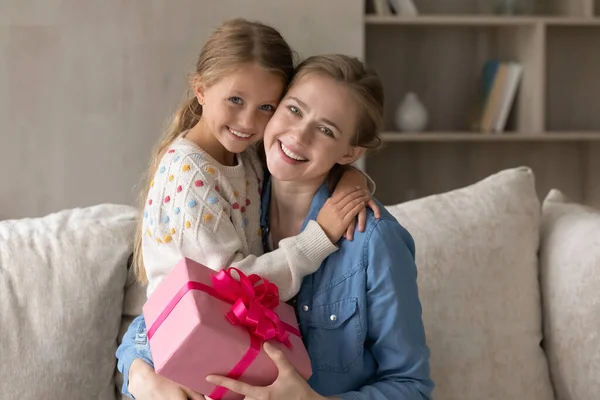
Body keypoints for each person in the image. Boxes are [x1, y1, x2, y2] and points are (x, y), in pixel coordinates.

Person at [121, 53, 434, 400]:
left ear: (348, 153)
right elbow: (170, 306)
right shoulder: (238, 200)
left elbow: (411, 387)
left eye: (326, 130)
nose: (299, 135)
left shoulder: (374, 242)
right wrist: (140, 374)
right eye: (295, 110)